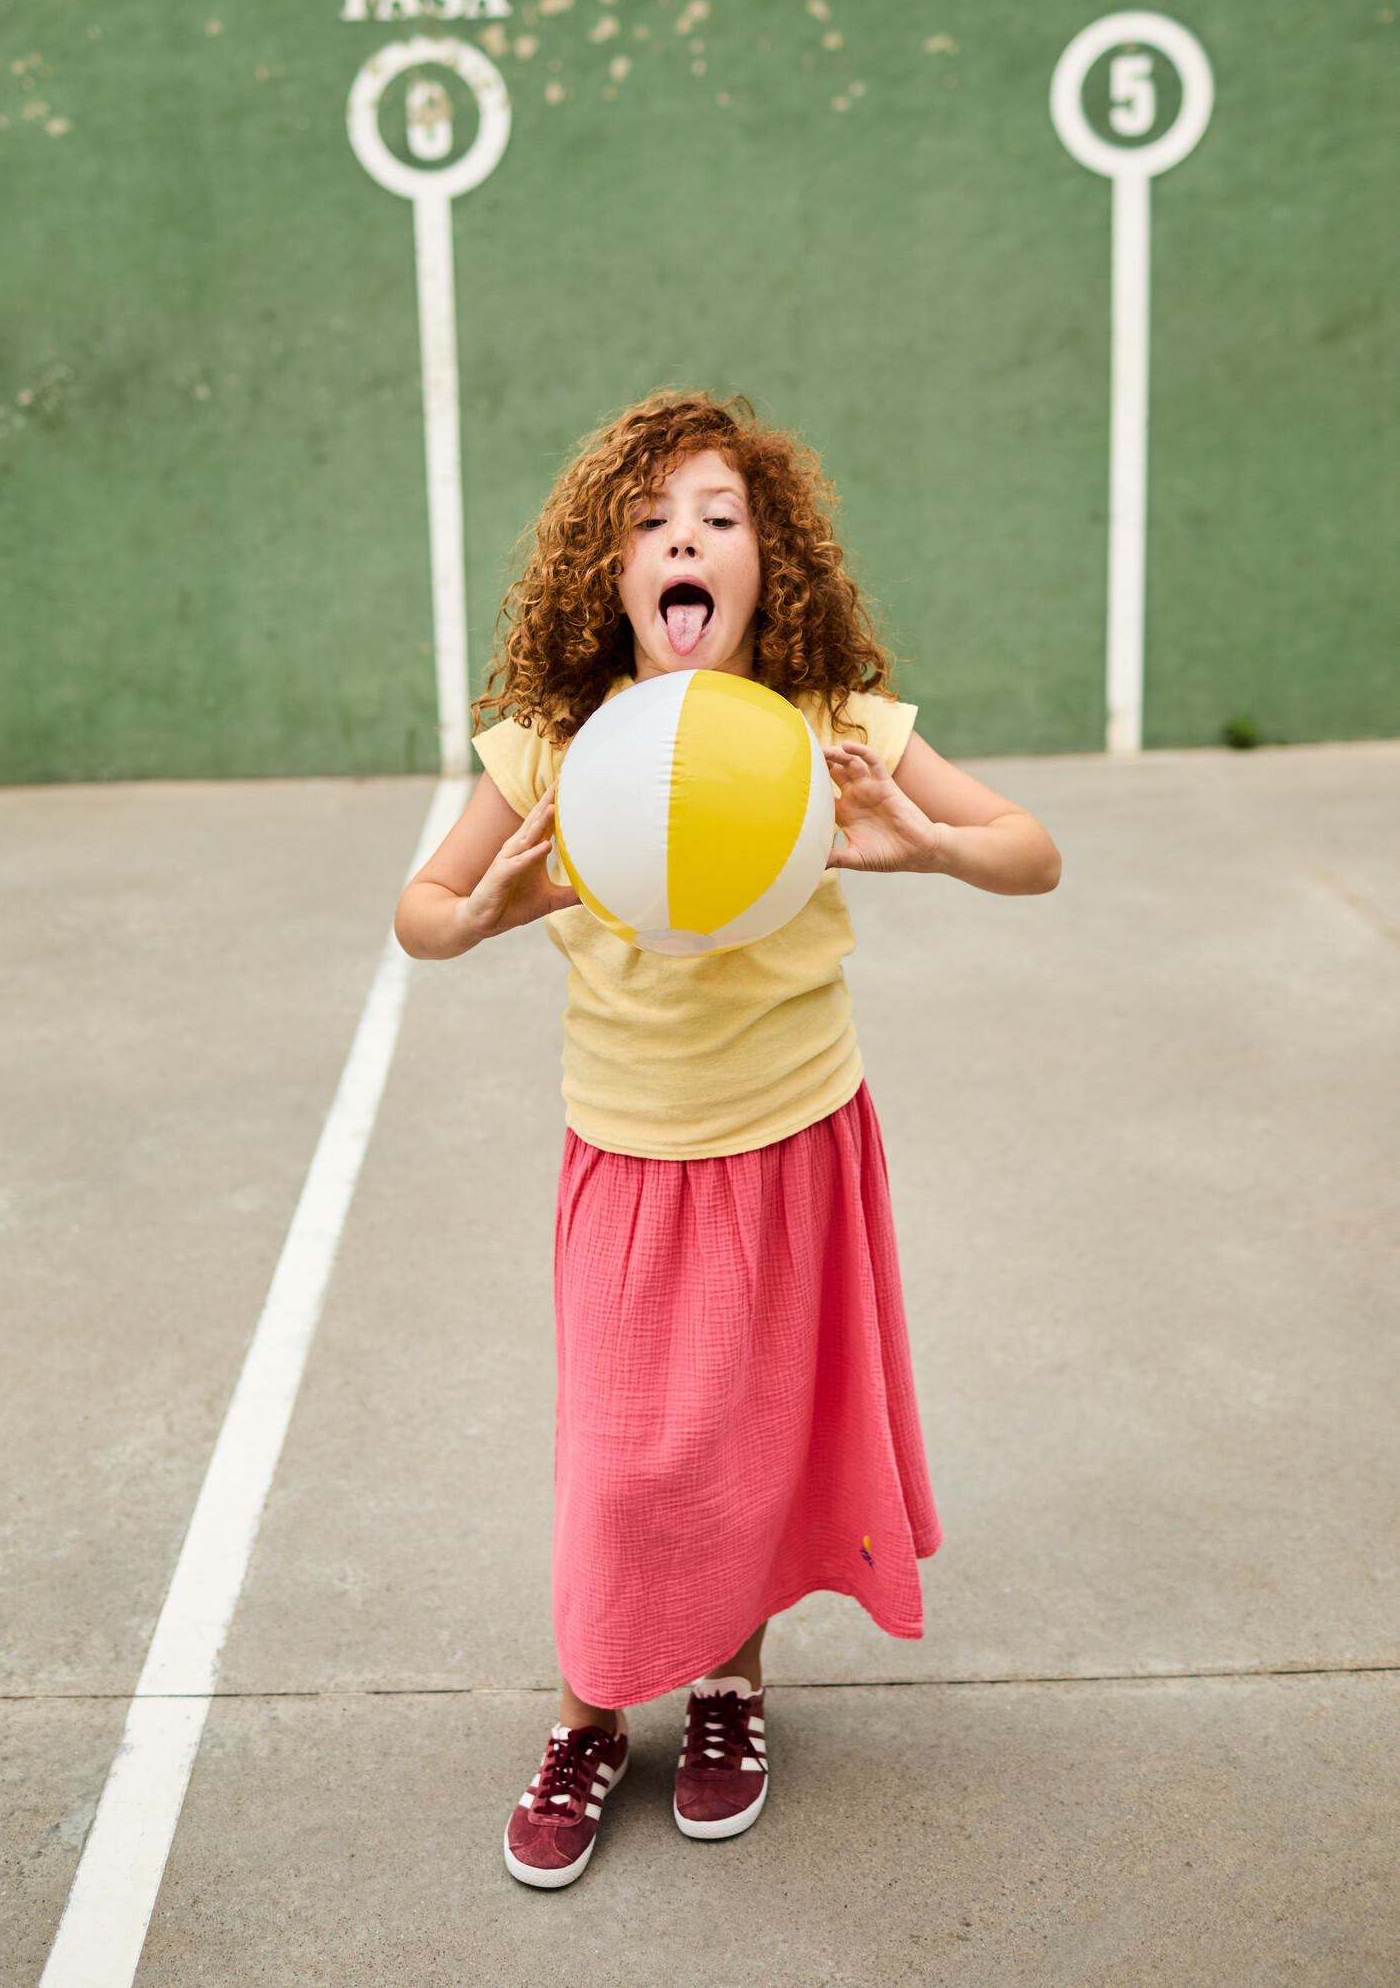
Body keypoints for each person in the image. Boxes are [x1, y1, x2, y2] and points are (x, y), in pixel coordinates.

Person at [395, 390, 1061, 1890]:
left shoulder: (828, 730)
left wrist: (927, 842)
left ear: (771, 561)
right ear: (608, 569)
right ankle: (587, 1718)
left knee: (750, 1449)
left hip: (795, 1136)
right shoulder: (555, 743)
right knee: (626, 1463)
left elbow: (1035, 850)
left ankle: (728, 1688)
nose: (682, 538)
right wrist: (493, 903)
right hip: (629, 1148)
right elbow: (421, 914)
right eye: (648, 521)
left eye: (717, 517)